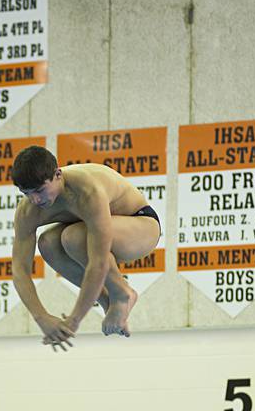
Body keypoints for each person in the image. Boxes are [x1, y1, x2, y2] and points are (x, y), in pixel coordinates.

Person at [11, 146, 161, 351]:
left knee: (73, 237)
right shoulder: (28, 211)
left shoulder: (88, 191)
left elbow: (98, 263)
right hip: (94, 235)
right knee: (47, 243)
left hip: (141, 225)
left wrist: (73, 321)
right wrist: (41, 317)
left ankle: (122, 293)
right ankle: (108, 300)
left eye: (39, 190)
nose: (36, 200)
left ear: (57, 175)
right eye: (27, 193)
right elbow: (19, 270)